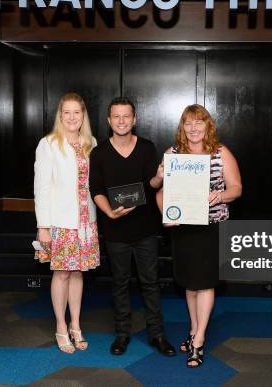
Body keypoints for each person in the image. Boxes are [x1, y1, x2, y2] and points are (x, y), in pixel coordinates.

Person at [153, 104, 242, 368]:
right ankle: (193, 330)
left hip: (212, 226)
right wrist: (165, 209)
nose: (193, 128)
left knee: (206, 283)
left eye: (198, 123)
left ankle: (200, 339)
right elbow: (157, 191)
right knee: (189, 284)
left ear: (207, 125)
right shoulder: (173, 154)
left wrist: (220, 195)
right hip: (184, 228)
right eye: (188, 123)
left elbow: (236, 188)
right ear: (182, 127)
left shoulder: (220, 152)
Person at [89, 97, 175, 357]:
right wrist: (109, 213)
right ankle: (122, 335)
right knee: (120, 284)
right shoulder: (99, 152)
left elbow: (151, 185)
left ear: (134, 119)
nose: (122, 121)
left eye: (126, 116)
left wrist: (160, 176)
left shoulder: (148, 148)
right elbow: (96, 190)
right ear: (108, 120)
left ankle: (157, 335)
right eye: (116, 116)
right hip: (115, 230)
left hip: (146, 229)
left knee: (151, 283)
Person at [34, 92, 100, 354]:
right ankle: (61, 327)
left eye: (77, 112)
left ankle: (76, 325)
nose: (72, 117)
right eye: (67, 112)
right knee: (61, 273)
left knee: (78, 273)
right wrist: (44, 226)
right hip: (60, 223)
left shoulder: (91, 143)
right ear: (60, 116)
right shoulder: (49, 144)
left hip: (87, 221)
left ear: (83, 115)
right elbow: (42, 188)